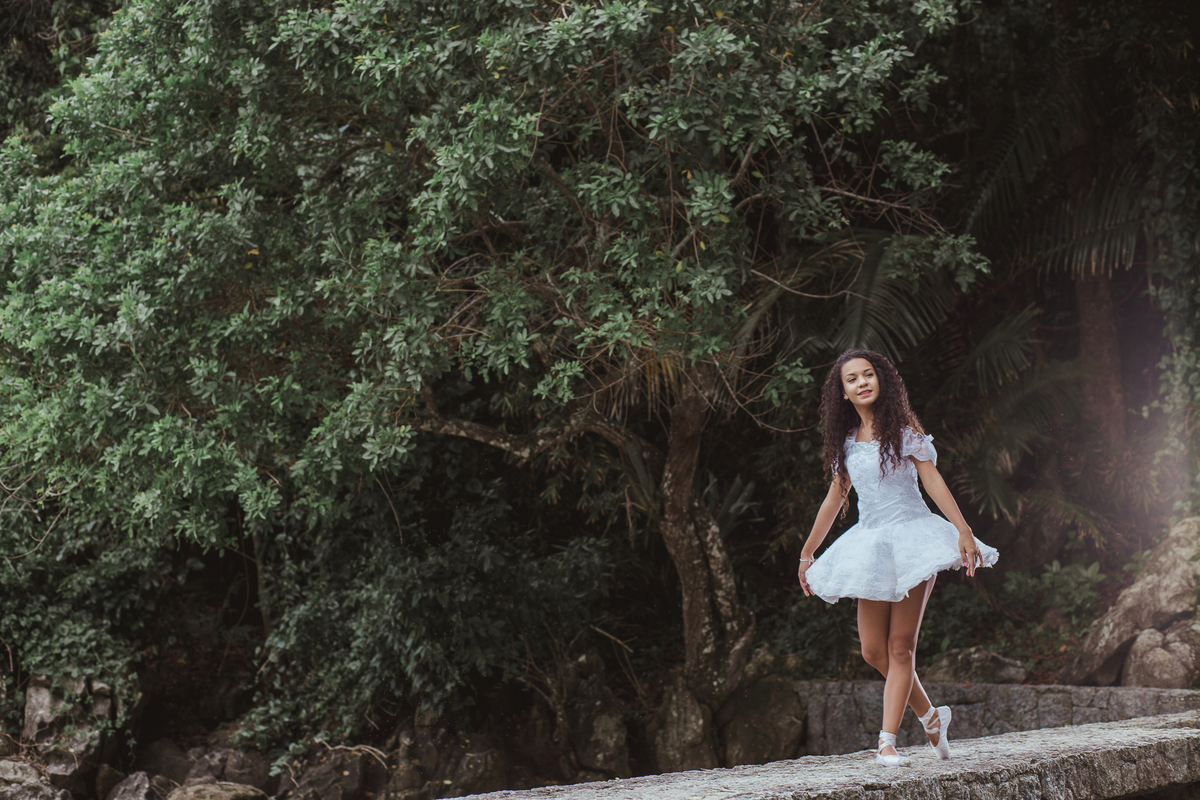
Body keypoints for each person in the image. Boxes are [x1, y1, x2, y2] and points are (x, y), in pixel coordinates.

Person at [796, 349, 998, 767]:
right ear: (844, 393)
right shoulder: (847, 443)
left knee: (900, 647)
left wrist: (963, 530)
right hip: (870, 545)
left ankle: (886, 743)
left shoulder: (903, 431)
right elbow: (836, 498)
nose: (862, 382)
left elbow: (933, 480)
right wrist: (807, 551)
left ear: (881, 380)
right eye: (852, 379)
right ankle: (930, 715)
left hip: (912, 539)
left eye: (868, 374)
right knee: (873, 651)